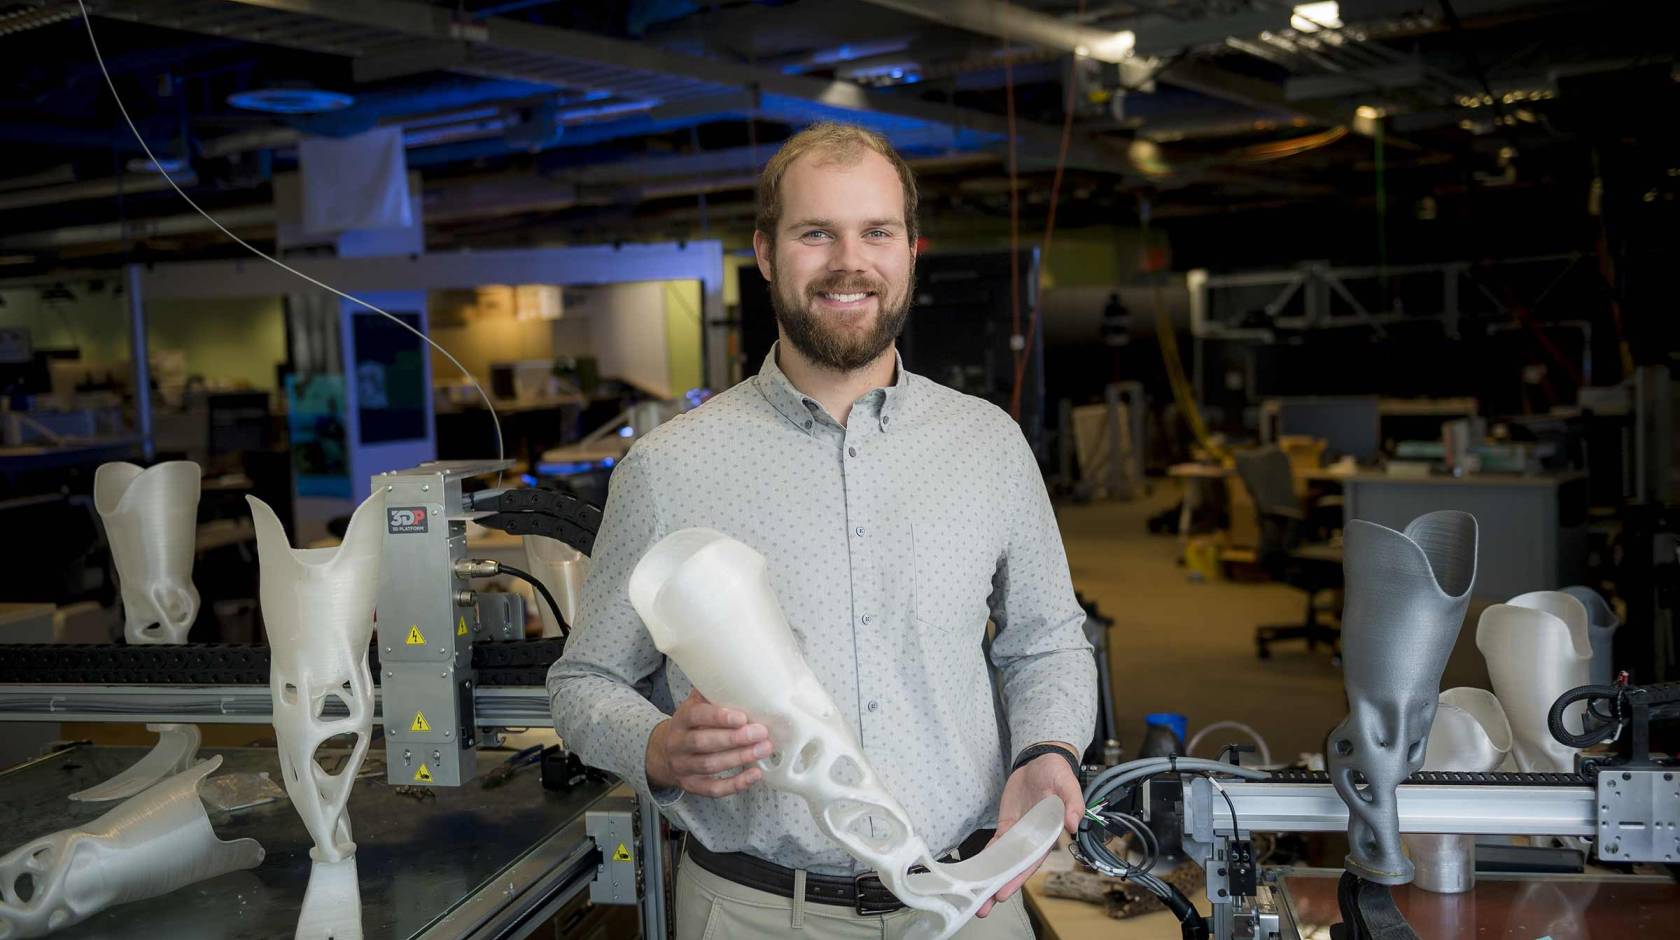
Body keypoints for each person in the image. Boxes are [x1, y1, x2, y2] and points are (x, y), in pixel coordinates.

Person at [548, 121, 1096, 939]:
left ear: (912, 250)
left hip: (969, 900)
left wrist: (1046, 750)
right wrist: (659, 746)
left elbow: (1048, 639)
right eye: (817, 233)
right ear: (766, 253)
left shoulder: (988, 444)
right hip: (758, 912)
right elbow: (583, 682)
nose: (851, 261)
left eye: (876, 232)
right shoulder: (669, 466)